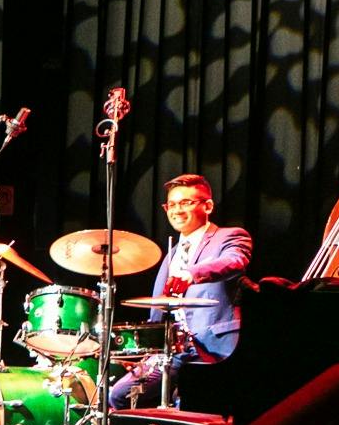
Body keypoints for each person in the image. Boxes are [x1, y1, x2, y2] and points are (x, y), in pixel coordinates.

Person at [106, 174, 252, 410]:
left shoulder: (230, 236)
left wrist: (192, 273)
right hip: (174, 349)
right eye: (171, 205)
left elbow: (234, 261)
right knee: (120, 395)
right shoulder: (172, 253)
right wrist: (147, 351)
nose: (176, 210)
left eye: (186, 203)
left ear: (208, 206)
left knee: (194, 403)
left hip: (213, 346)